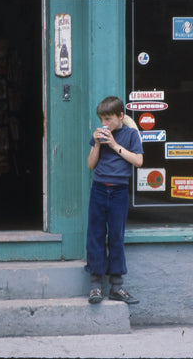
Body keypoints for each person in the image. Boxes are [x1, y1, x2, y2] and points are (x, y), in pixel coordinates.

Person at [85, 96, 144, 305]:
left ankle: (116, 287)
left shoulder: (130, 134)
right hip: (99, 190)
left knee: (116, 237)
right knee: (96, 235)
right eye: (101, 119)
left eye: (108, 119)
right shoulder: (99, 135)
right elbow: (91, 165)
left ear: (120, 116)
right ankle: (95, 286)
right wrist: (98, 145)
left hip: (119, 192)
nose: (104, 124)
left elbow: (138, 161)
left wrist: (114, 144)